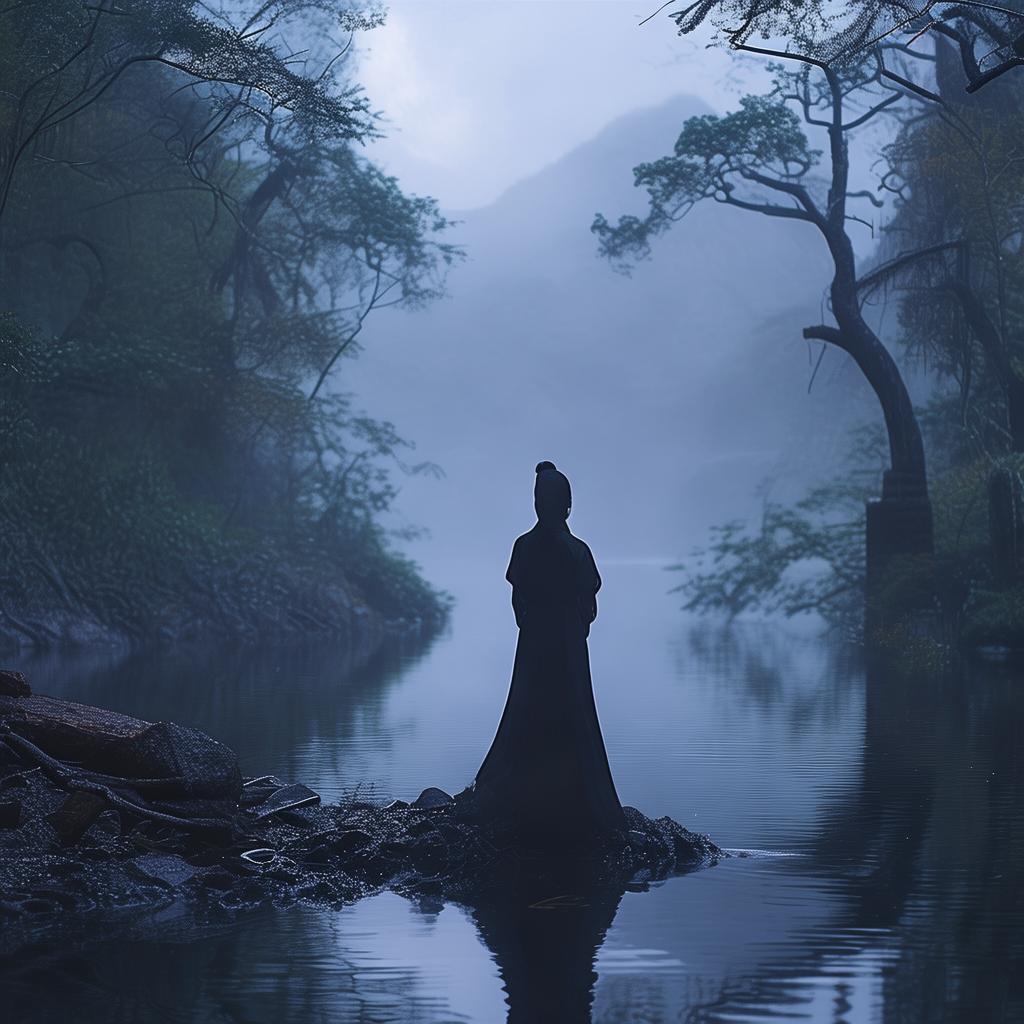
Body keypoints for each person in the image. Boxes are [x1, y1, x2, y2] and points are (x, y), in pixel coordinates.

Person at [471, 461, 626, 845]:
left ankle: (521, 796)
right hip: (569, 649)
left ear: (538, 504)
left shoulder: (523, 546)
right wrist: (574, 629)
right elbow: (588, 605)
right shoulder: (578, 551)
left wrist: (533, 625)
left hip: (534, 645)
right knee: (572, 714)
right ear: (568, 505)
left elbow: (518, 599)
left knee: (528, 709)